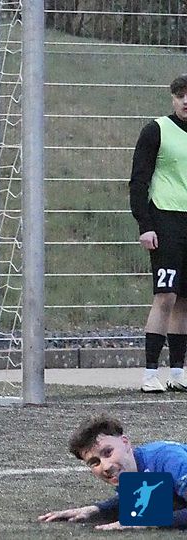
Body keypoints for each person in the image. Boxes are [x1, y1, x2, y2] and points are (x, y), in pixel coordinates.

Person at [129, 74, 187, 393]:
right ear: (173, 98)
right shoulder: (156, 130)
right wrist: (145, 224)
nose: (186, 100)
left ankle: (177, 372)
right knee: (165, 296)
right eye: (180, 95)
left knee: (184, 300)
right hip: (166, 221)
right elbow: (139, 180)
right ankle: (150, 373)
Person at [37, 414, 187, 531]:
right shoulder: (134, 470)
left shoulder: (171, 459)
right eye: (94, 462)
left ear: (125, 443)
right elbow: (152, 502)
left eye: (108, 452)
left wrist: (151, 521)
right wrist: (96, 510)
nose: (106, 466)